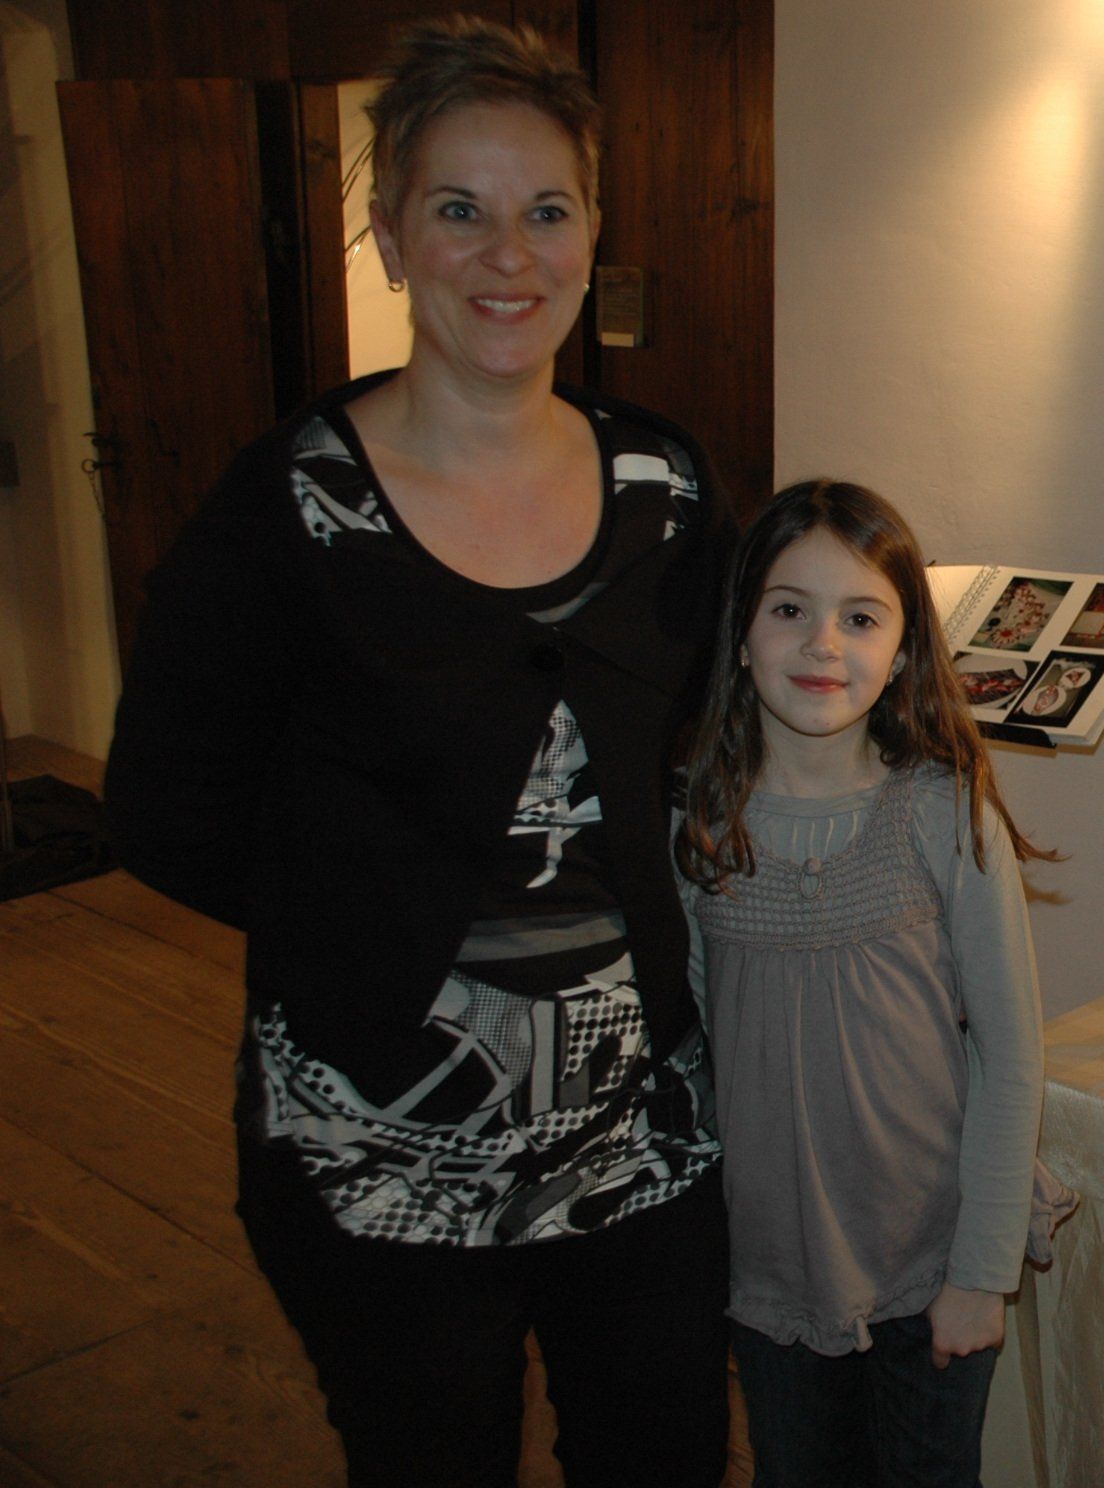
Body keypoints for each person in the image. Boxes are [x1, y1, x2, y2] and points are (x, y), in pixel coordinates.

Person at [104, 18, 734, 1486]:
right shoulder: (288, 511)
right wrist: (362, 917)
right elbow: (167, 807)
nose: (507, 255)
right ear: (390, 235)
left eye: (546, 210)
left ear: (592, 235)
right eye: (459, 209)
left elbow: (712, 746)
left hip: (640, 1145)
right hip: (380, 1154)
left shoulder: (667, 484)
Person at [674, 479, 1073, 1488]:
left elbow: (1010, 1056)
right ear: (741, 632)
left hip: (932, 1268)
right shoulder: (699, 828)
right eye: (789, 609)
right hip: (773, 1278)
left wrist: (981, 1274)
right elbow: (697, 1050)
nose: (822, 645)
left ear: (901, 651)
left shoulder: (944, 810)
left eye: (859, 618)